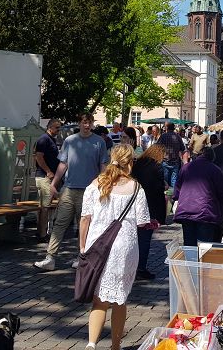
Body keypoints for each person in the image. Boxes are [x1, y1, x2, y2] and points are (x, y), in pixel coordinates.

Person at [80, 144, 153, 350]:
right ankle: (115, 346)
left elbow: (85, 218)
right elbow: (142, 221)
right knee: (120, 299)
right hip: (124, 246)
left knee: (99, 300)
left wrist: (82, 246)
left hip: (97, 245)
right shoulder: (136, 188)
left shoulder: (96, 184)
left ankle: (91, 344)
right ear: (130, 162)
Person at [35, 113, 109, 271]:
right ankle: (50, 258)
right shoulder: (70, 141)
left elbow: (103, 166)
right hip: (68, 189)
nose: (87, 125)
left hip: (89, 191)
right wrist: (54, 183)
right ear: (79, 123)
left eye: (89, 122)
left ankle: (80, 257)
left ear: (92, 124)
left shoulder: (99, 142)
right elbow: (63, 164)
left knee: (84, 226)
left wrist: (102, 186)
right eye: (84, 122)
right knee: (59, 223)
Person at [173, 147, 223, 246]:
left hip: (186, 210)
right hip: (205, 212)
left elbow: (177, 190)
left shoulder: (186, 167)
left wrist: (177, 199)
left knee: (189, 244)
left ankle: (190, 256)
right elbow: (222, 192)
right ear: (212, 158)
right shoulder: (214, 169)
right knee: (204, 247)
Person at [131, 143, 167, 280]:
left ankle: (132, 266)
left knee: (134, 238)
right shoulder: (157, 167)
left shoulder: (138, 164)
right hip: (149, 206)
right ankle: (141, 268)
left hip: (134, 204)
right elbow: (158, 191)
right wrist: (160, 215)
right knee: (144, 239)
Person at [34, 119, 61, 238]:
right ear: (50, 127)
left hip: (49, 176)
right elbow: (38, 157)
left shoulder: (51, 139)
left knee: (45, 206)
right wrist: (48, 171)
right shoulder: (44, 139)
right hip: (44, 177)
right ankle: (42, 234)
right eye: (57, 128)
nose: (59, 130)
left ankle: (41, 231)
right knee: (45, 206)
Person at [157, 122, 186, 192]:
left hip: (165, 161)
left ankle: (166, 196)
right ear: (173, 128)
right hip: (175, 161)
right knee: (174, 181)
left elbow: (157, 147)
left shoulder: (163, 136)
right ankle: (173, 196)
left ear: (167, 128)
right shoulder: (177, 136)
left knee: (165, 182)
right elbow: (182, 148)